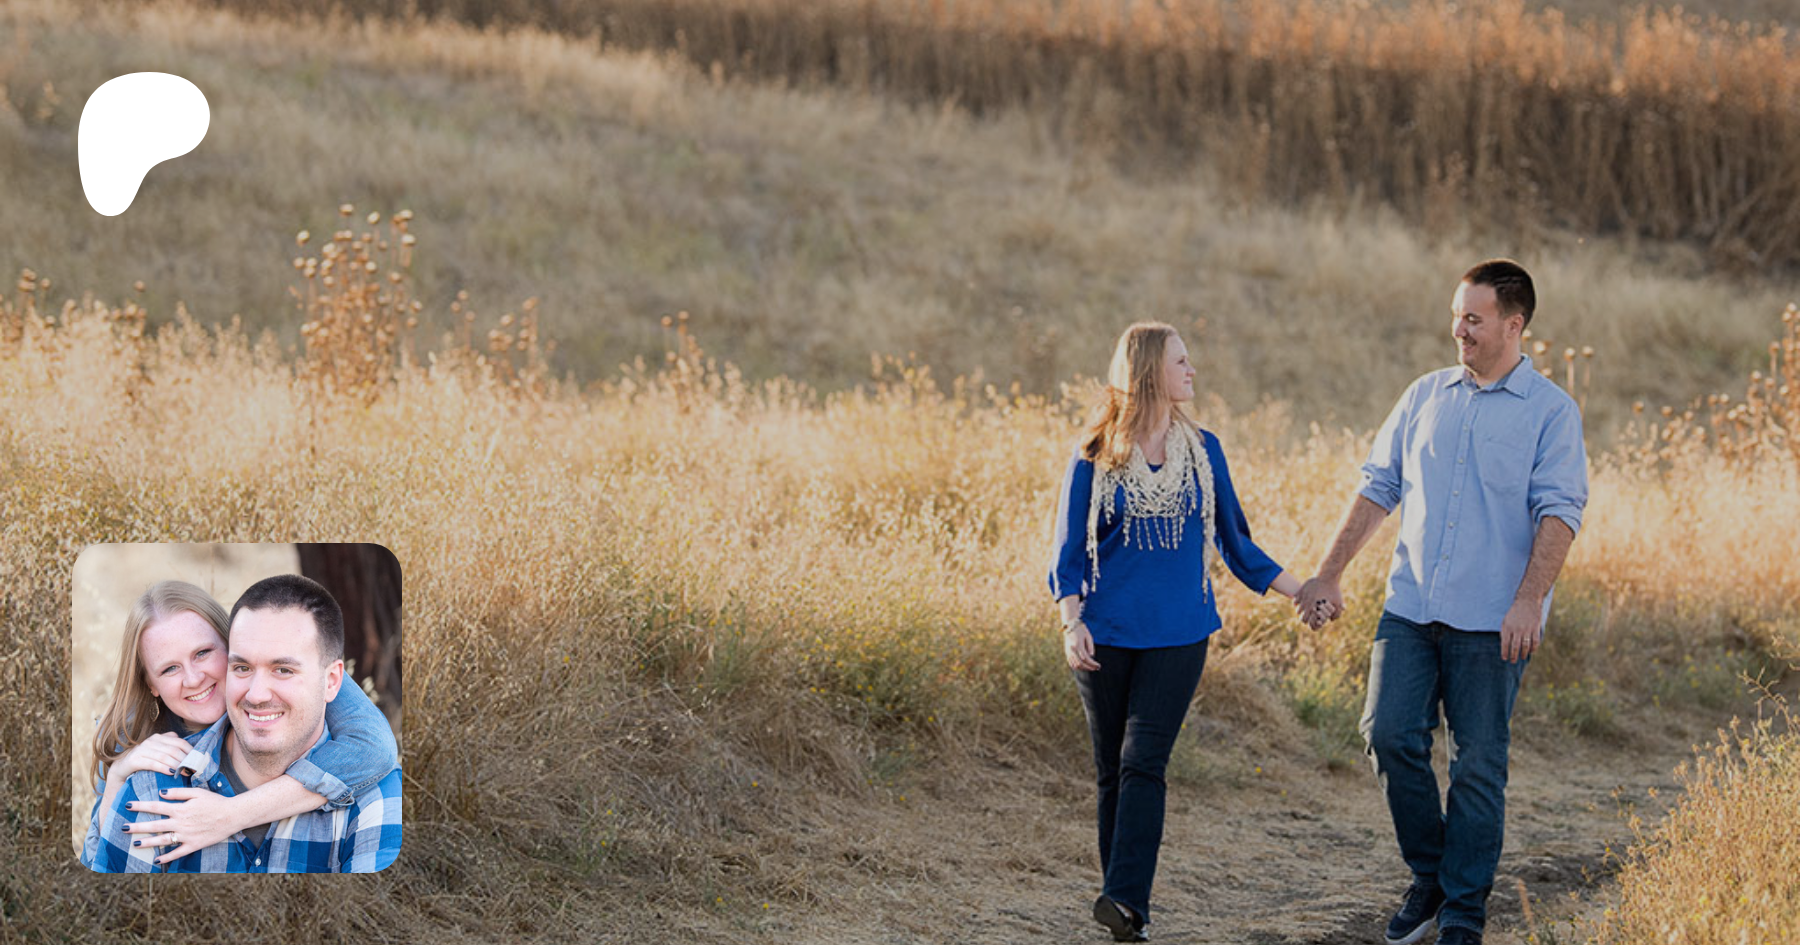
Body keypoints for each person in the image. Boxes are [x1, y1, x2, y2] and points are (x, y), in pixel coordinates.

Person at [1296, 260, 1588, 945]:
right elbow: (1378, 486)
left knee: (1478, 765)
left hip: (1493, 620)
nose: (1459, 329)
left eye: (1474, 319)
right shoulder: (1425, 395)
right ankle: (1431, 875)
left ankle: (1463, 907)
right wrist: (1329, 573)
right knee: (1387, 733)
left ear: (1513, 325)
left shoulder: (1551, 411)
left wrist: (1529, 600)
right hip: (1412, 607)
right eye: (1457, 315)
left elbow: (1560, 513)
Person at [1049, 321, 1306, 941]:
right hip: (1105, 635)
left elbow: (1237, 542)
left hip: (1179, 634)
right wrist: (1071, 622)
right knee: (1111, 771)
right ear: (1148, 372)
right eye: (1181, 361)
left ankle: (1124, 899)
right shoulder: (1095, 453)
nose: (1193, 371)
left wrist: (1302, 591)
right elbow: (1067, 552)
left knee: (1143, 761)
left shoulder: (1204, 451)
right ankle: (1125, 916)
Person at [90, 575, 403, 872]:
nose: (193, 679)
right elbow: (98, 871)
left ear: (231, 643)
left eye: (203, 653)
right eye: (169, 669)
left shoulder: (298, 666)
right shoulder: (135, 749)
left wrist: (229, 815)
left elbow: (375, 746)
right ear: (150, 684)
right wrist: (117, 777)